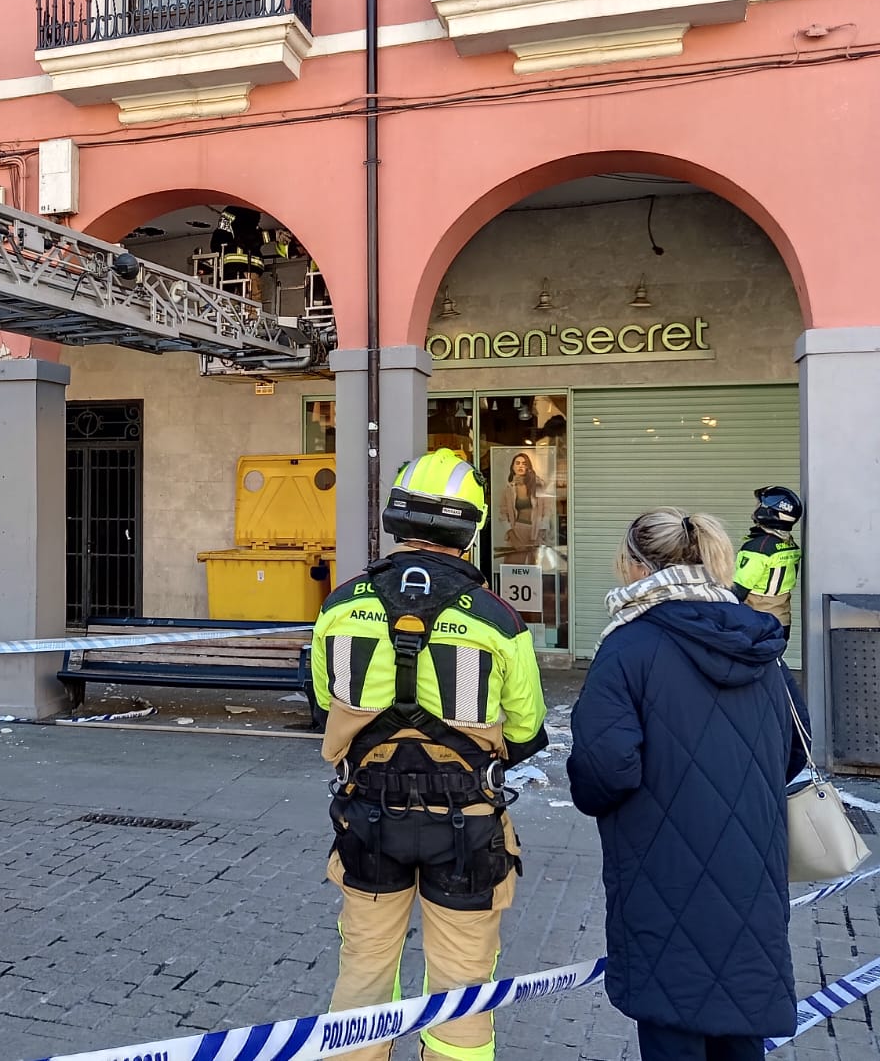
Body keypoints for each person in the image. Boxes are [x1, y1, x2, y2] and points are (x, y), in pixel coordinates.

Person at [311, 448, 547, 1061]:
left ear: (397, 519)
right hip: (467, 827)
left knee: (364, 969)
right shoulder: (498, 618)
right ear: (470, 527)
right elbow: (526, 731)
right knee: (464, 986)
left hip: (367, 819)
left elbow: (325, 702)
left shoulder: (340, 605)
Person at [567, 508, 808, 1061]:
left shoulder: (627, 646)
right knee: (741, 1020)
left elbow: (605, 768)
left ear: (633, 564)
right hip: (752, 863)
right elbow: (797, 746)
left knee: (672, 1020)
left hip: (660, 868)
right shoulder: (758, 643)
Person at [732, 485, 803, 642]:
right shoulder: (790, 544)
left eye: (759, 505)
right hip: (782, 621)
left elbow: (738, 590)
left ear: (768, 512)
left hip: (757, 623)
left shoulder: (758, 547)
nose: (756, 507)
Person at [496, 451, 551, 563]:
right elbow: (503, 514)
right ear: (513, 467)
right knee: (513, 567)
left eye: (524, 463)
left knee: (534, 568)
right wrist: (513, 537)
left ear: (528, 467)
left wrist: (541, 533)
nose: (521, 466)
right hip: (517, 530)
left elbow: (547, 510)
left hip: (535, 531)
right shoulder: (508, 489)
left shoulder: (538, 485)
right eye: (517, 463)